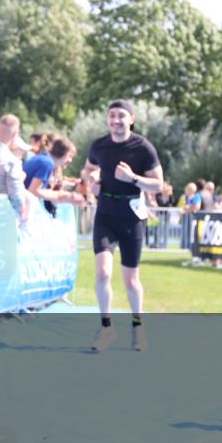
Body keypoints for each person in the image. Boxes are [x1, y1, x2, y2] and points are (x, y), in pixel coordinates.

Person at [81, 99, 163, 353]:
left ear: (131, 119)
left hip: (131, 217)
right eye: (111, 116)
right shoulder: (99, 145)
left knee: (131, 279)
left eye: (121, 116)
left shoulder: (143, 147)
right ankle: (106, 328)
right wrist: (92, 180)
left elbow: (158, 185)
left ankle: (138, 327)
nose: (116, 120)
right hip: (105, 213)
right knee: (103, 272)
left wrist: (133, 179)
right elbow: (88, 171)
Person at [23, 136, 86, 215]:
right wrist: (62, 196)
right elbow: (34, 191)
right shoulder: (47, 163)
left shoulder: (43, 158)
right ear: (66, 155)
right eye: (71, 157)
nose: (70, 162)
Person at [0, 114, 29, 221]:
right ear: (15, 134)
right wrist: (23, 215)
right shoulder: (11, 160)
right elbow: (16, 196)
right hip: (0, 216)